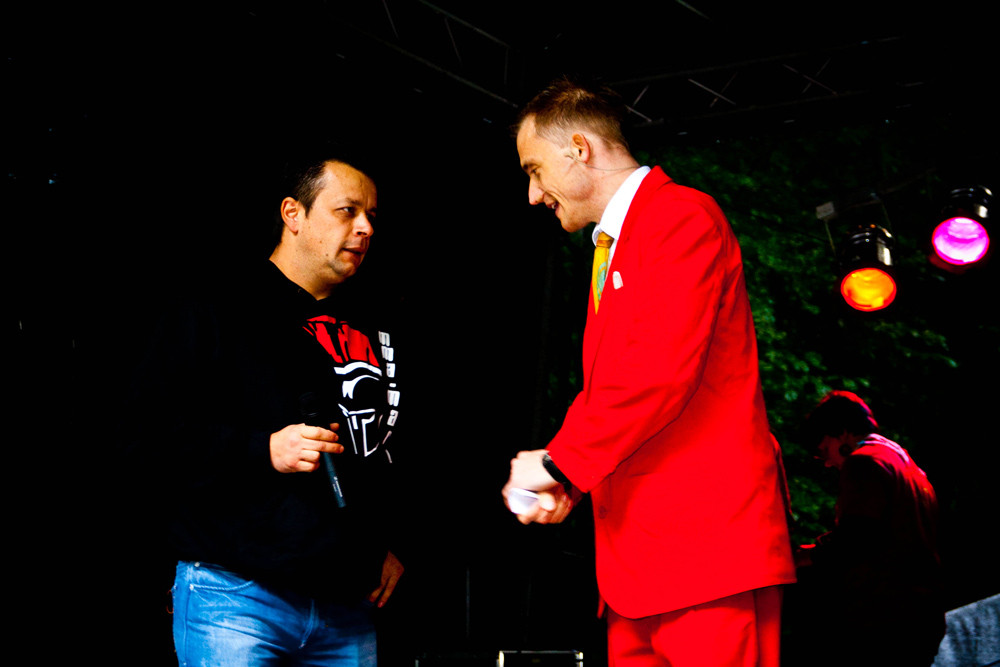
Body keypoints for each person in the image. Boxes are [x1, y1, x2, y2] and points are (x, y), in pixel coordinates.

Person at [502, 77, 796, 667]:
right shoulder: (614, 245)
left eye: (535, 170)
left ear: (578, 149)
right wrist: (569, 480)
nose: (532, 195)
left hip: (706, 558)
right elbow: (611, 390)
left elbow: (656, 372)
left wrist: (560, 463)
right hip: (638, 571)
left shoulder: (680, 216)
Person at [128, 148, 407, 666]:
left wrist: (388, 546)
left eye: (371, 214)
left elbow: (390, 448)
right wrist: (265, 449)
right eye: (347, 211)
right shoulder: (215, 306)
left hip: (348, 606)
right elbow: (148, 436)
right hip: (237, 596)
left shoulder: (379, 321)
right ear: (293, 214)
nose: (366, 227)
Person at [789, 390, 945, 666]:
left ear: (842, 432)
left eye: (824, 450)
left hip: (884, 621)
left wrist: (800, 557)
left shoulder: (864, 462)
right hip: (922, 617)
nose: (828, 462)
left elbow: (854, 540)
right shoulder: (907, 465)